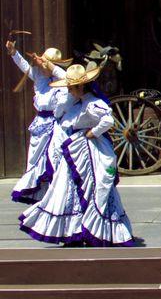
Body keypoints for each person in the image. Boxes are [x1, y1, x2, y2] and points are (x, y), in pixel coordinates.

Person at [19, 64, 134, 246]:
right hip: (77, 150)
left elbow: (108, 120)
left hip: (91, 151)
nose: (69, 91)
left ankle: (95, 231)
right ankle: (75, 231)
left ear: (80, 87)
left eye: (71, 88)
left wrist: (93, 132)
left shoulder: (92, 103)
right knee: (67, 188)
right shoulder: (78, 103)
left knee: (94, 189)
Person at [6, 40, 71, 204]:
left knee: (56, 159)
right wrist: (14, 52)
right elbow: (23, 65)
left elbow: (68, 79)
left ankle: (57, 195)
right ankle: (41, 196)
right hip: (40, 125)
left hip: (57, 125)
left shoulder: (62, 80)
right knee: (36, 160)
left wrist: (52, 67)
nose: (42, 68)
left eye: (46, 65)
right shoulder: (38, 76)